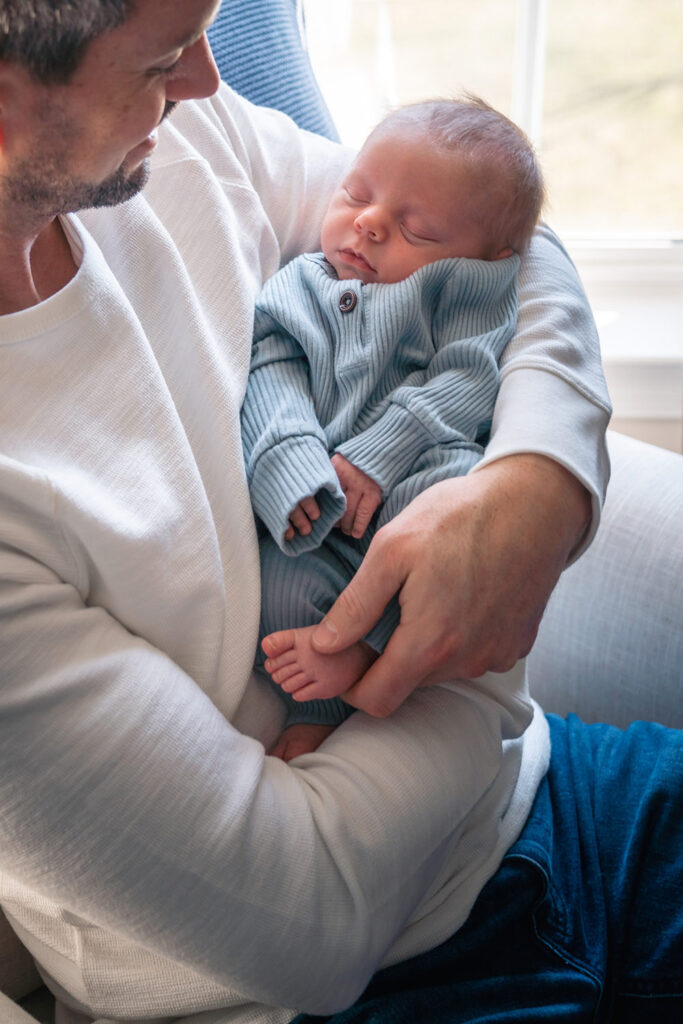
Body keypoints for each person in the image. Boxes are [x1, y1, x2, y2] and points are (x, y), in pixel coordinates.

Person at [1, 2, 679, 1023]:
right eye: (162, 58)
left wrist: (534, 487)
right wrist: (477, 658)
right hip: (372, 988)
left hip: (549, 793)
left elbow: (505, 245)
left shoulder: (172, 140)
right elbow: (310, 920)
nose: (210, 82)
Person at [243, 96, 545, 760]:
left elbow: (467, 378)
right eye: (355, 195)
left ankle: (371, 649)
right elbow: (270, 366)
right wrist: (289, 461)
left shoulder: (462, 292)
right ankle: (323, 694)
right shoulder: (301, 285)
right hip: (318, 502)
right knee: (279, 579)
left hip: (415, 472)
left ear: (483, 257)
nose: (369, 223)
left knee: (459, 496)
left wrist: (381, 454)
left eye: (418, 231)